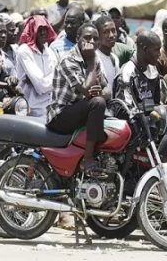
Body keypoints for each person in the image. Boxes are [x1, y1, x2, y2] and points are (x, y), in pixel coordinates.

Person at [46, 23, 110, 178]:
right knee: (98, 103)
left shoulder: (94, 59)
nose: (92, 42)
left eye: (95, 39)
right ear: (77, 39)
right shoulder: (68, 60)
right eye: (87, 38)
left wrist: (100, 91)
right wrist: (92, 63)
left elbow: (108, 90)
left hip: (79, 111)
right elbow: (86, 89)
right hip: (60, 115)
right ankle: (87, 160)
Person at [115, 30, 167, 162]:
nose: (159, 54)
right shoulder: (128, 72)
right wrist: (155, 110)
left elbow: (157, 101)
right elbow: (125, 109)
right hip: (133, 122)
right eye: (156, 50)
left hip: (151, 119)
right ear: (144, 49)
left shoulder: (153, 70)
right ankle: (157, 165)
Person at [16, 15, 58, 120]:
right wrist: (53, 79)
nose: (43, 33)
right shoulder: (24, 51)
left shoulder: (50, 52)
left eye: (44, 29)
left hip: (51, 108)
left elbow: (60, 80)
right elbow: (41, 86)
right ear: (31, 31)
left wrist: (43, 80)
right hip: (32, 111)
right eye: (39, 30)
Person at [94, 15, 120, 90]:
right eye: (106, 32)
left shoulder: (114, 58)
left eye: (113, 30)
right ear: (98, 35)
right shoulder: (95, 58)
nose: (111, 35)